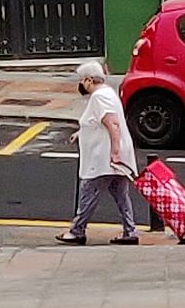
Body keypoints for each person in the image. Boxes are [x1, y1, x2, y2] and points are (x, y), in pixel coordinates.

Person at [56, 62, 139, 246]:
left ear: (88, 80)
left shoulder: (99, 97)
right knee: (121, 195)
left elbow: (113, 124)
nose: (81, 84)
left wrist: (114, 152)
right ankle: (130, 231)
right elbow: (98, 122)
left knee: (88, 192)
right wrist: (81, 133)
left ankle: (77, 231)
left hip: (103, 159)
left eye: (82, 80)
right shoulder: (108, 93)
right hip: (112, 157)